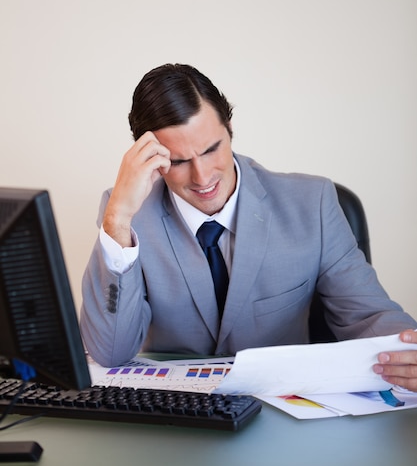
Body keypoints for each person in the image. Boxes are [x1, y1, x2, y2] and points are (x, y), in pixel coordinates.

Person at [80, 63, 417, 392]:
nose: (202, 177)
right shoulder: (130, 215)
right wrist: (118, 219)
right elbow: (110, 352)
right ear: (149, 157)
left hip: (283, 411)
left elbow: (369, 316)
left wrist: (410, 351)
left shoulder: (311, 203)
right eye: (179, 161)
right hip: (180, 417)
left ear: (229, 128)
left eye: (212, 149)